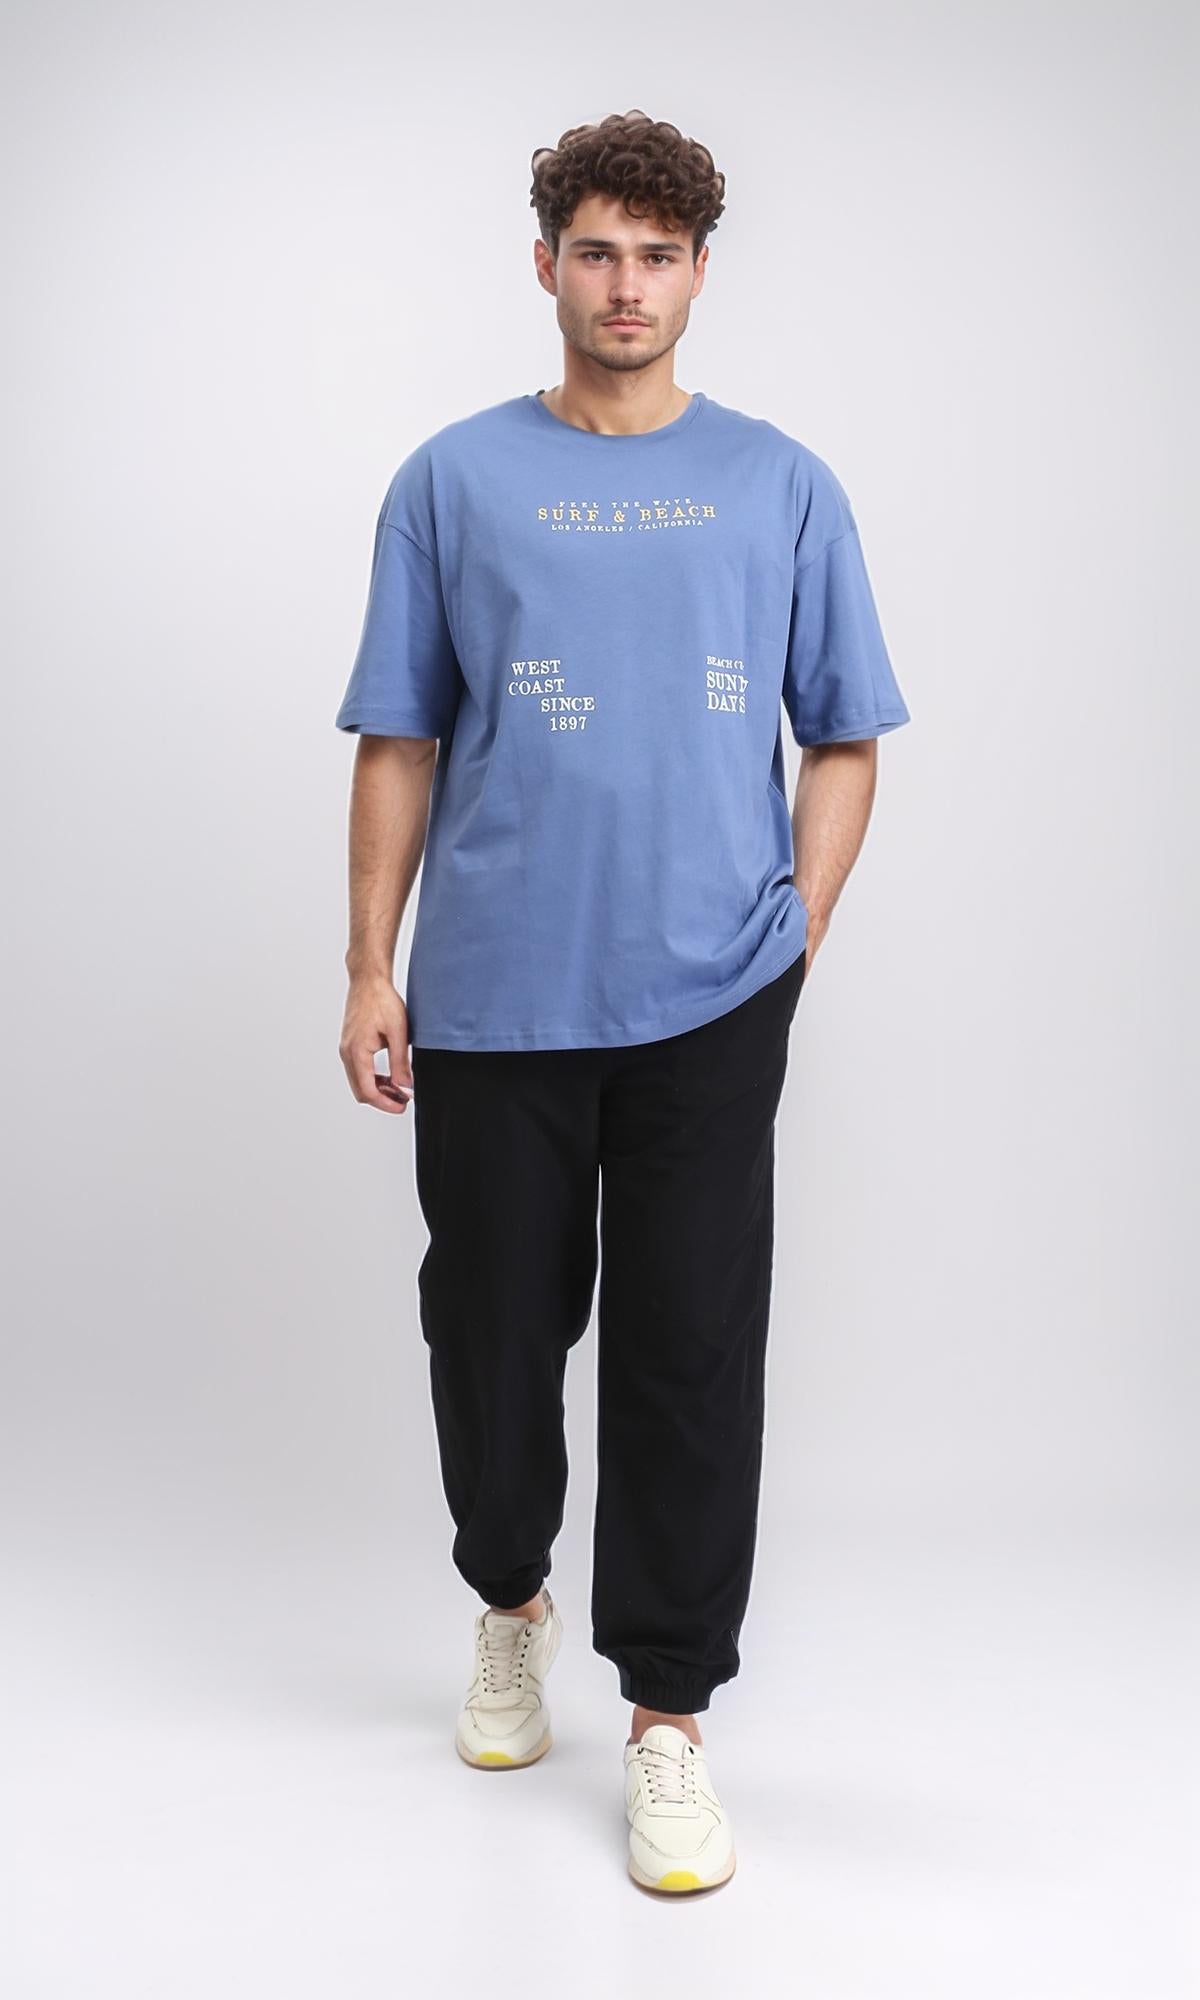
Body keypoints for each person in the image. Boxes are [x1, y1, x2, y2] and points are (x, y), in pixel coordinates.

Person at [334, 108, 911, 1895]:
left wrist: (795, 930)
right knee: (491, 1333)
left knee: (690, 1352)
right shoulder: (451, 480)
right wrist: (367, 963)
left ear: (701, 275)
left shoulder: (781, 483)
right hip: (495, 993)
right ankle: (509, 1601)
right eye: (598, 250)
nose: (627, 284)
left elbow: (846, 734)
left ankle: (670, 1717)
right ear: (546, 265)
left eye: (659, 256)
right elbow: (399, 735)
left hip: (710, 996)